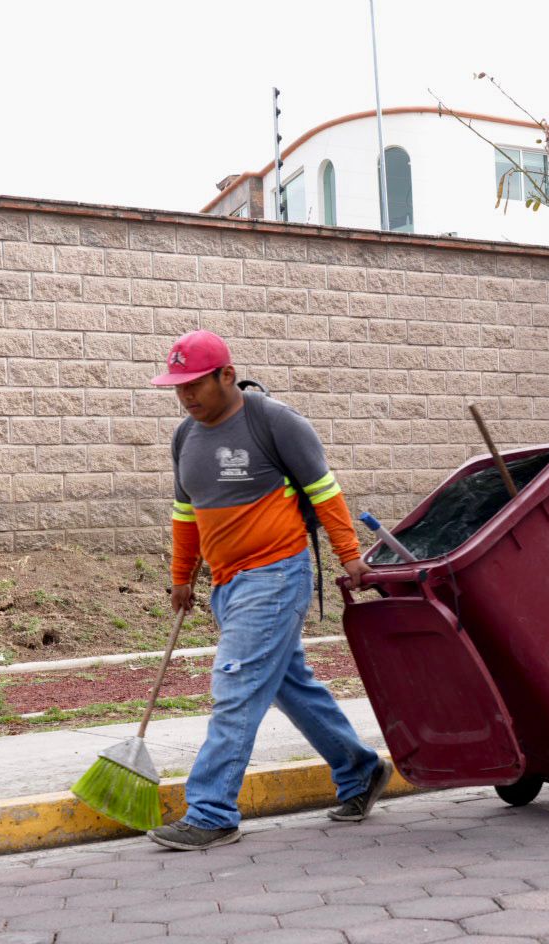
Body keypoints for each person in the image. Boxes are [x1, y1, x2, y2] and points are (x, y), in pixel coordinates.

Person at [146, 329, 390, 851]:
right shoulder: (184, 438)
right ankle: (360, 770)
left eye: (195, 384)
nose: (186, 396)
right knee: (286, 684)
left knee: (235, 685)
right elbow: (185, 514)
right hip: (228, 584)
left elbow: (326, 492)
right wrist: (181, 576)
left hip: (277, 575)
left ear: (226, 376)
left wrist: (350, 556)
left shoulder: (272, 421)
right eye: (178, 387)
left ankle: (211, 811)